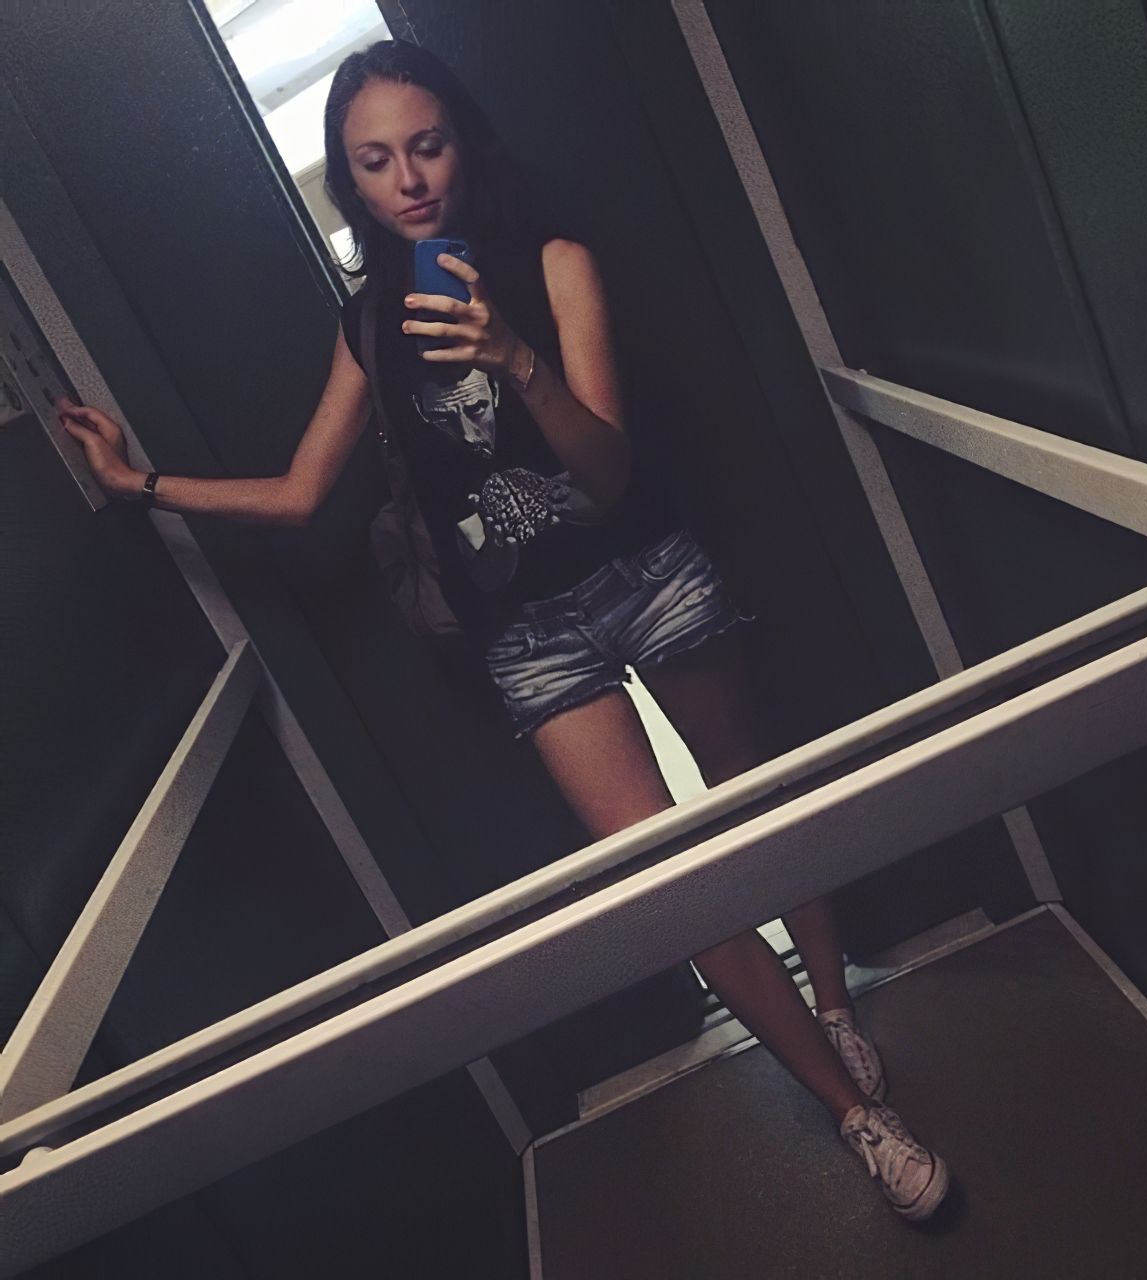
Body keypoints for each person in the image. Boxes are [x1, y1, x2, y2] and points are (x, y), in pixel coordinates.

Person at [58, 38, 948, 1222]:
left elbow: (609, 472)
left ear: (461, 142)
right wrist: (139, 485)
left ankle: (833, 1004)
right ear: (348, 179)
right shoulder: (369, 323)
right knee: (668, 880)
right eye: (374, 161)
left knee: (750, 801)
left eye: (424, 146)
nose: (407, 179)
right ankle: (851, 1112)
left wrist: (515, 359)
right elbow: (301, 492)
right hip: (528, 636)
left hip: (646, 570)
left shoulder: (551, 262)